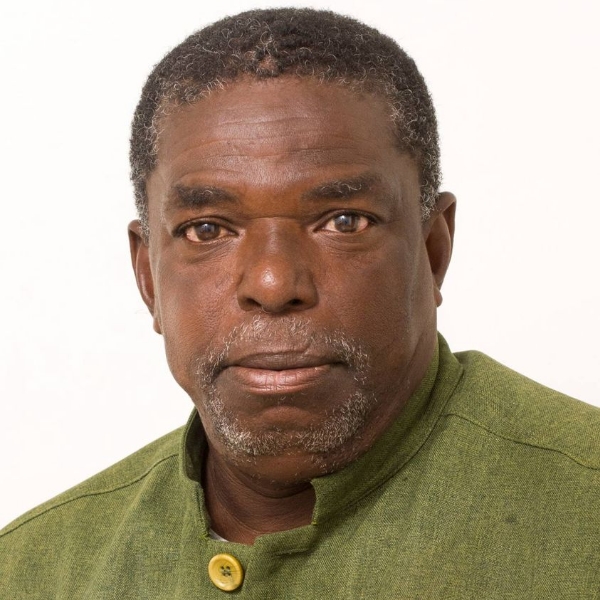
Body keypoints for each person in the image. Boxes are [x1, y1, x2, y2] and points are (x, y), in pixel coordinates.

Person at [1, 7, 598, 598]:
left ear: (433, 249)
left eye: (344, 221)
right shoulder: (31, 573)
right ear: (148, 276)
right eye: (207, 229)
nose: (272, 282)